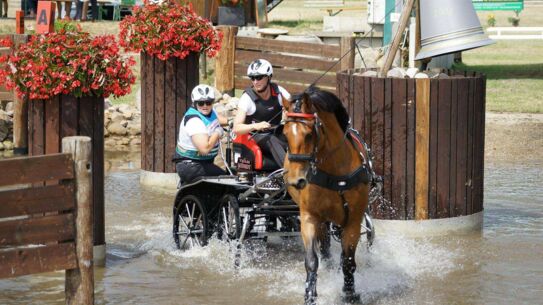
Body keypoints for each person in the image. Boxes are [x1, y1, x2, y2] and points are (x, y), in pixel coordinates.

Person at [233, 59, 291, 167]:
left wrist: (288, 114)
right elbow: (236, 128)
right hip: (255, 136)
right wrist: (256, 125)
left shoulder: (279, 92)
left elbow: (293, 108)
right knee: (271, 139)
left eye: (259, 77)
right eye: (252, 78)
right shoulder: (247, 98)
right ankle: (288, 172)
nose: (255, 82)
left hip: (276, 131)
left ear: (269, 77)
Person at [175, 84, 227, 184]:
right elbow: (205, 149)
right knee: (226, 180)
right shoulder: (194, 121)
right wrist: (218, 132)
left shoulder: (209, 111)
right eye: (201, 103)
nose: (205, 106)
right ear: (194, 103)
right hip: (190, 166)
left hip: (203, 163)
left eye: (208, 102)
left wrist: (231, 121)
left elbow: (216, 119)